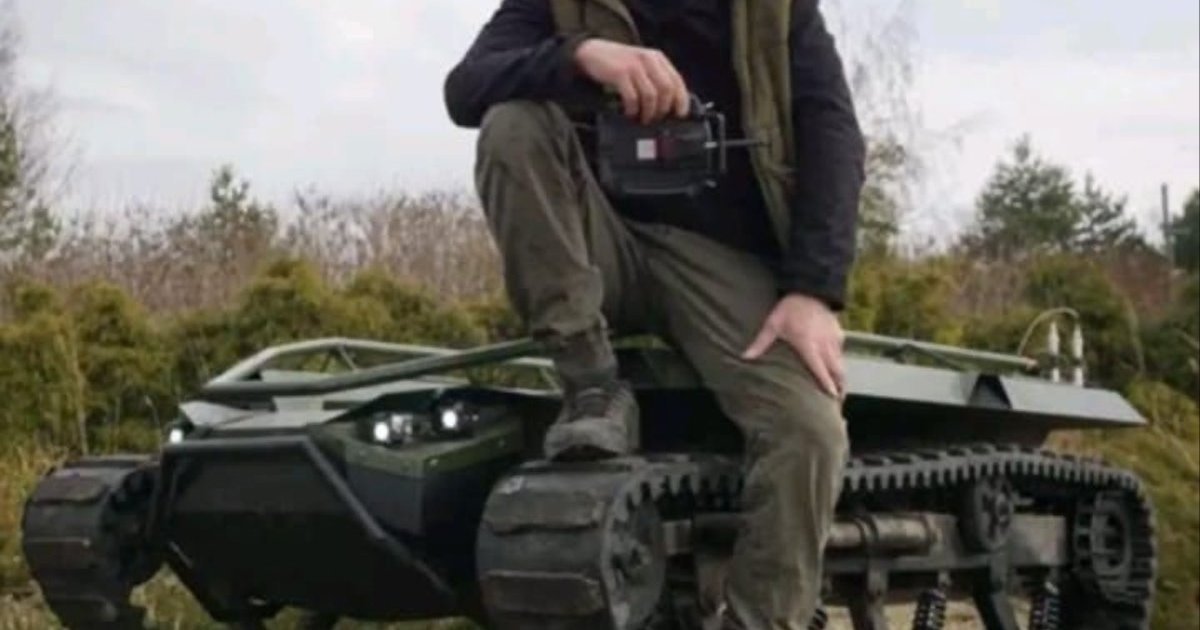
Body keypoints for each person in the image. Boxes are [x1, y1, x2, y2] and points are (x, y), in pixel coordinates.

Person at [444, 1, 864, 628]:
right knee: (511, 125)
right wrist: (582, 55)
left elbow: (832, 130)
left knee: (808, 432)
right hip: (599, 243)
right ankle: (592, 388)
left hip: (723, 254)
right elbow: (465, 88)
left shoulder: (776, 9)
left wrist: (813, 290)